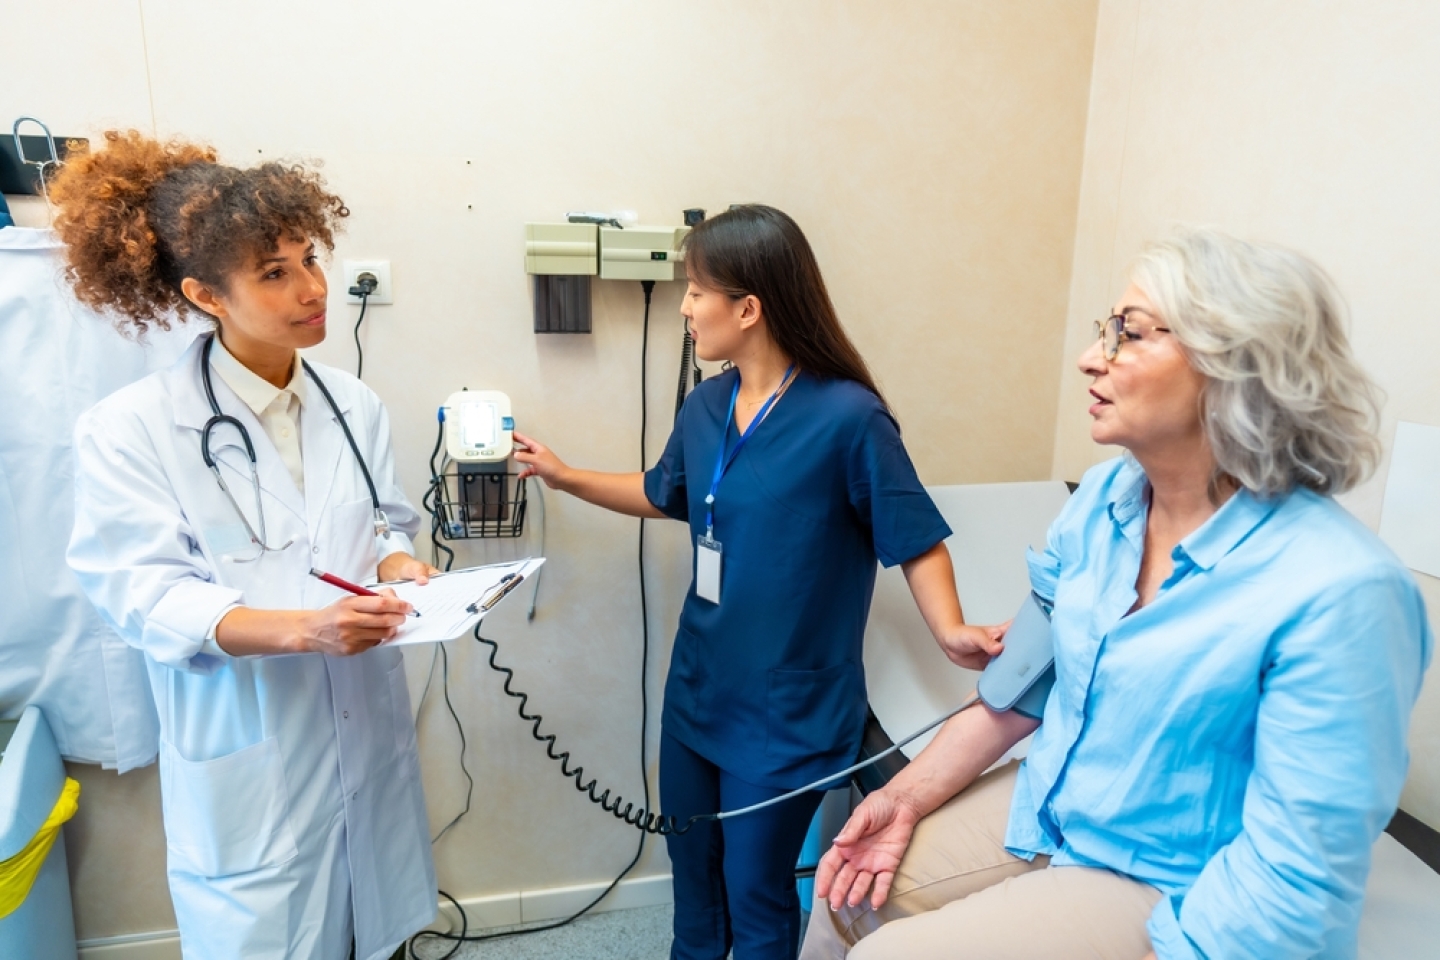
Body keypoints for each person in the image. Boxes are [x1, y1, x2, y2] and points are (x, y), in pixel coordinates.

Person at [800, 228, 1433, 960]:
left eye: (1128, 334)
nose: (1090, 357)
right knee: (841, 892)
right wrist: (901, 799)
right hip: (1053, 806)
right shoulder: (1104, 501)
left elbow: (1294, 879)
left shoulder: (1342, 592)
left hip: (1175, 874)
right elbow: (1022, 690)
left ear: (1235, 367)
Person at [514, 204, 1001, 960]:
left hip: (787, 712)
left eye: (695, 291)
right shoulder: (707, 404)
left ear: (748, 308)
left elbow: (916, 537)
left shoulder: (849, 418)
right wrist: (564, 475)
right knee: (695, 879)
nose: (683, 307)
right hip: (700, 688)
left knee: (754, 889)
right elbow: (662, 491)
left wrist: (950, 630)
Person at [55, 131, 437, 960]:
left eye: (308, 257)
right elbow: (145, 594)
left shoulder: (352, 403)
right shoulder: (131, 430)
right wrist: (307, 630)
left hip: (361, 732)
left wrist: (399, 567)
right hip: (250, 749)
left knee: (376, 936)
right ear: (205, 294)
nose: (312, 289)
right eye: (274, 272)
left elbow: (378, 527)